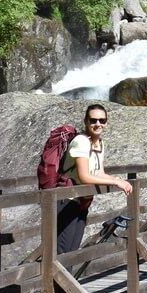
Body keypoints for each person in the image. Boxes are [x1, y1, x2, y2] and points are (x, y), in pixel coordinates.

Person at [56, 104, 133, 257]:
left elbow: (99, 173)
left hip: (82, 202)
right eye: (93, 120)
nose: (98, 124)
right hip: (67, 201)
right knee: (63, 252)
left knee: (72, 251)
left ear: (106, 123)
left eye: (102, 120)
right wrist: (115, 182)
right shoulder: (81, 141)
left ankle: (65, 280)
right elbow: (84, 176)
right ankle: (55, 281)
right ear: (86, 121)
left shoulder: (99, 144)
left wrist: (117, 179)